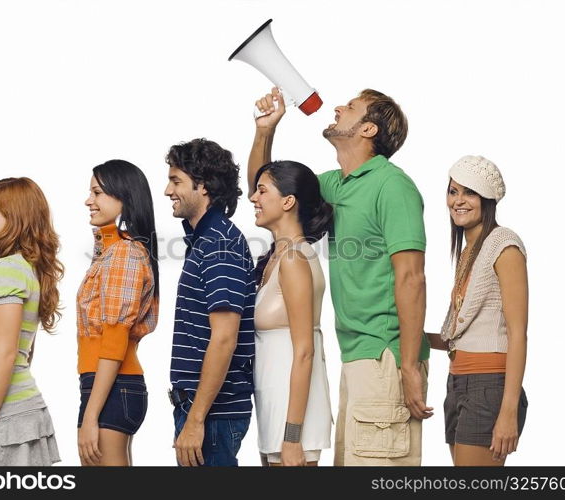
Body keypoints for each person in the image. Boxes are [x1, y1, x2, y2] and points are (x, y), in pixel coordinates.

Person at [249, 87, 431, 466]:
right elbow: (269, 191)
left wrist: (410, 365)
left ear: (368, 130)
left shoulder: (392, 186)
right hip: (355, 358)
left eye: (349, 107)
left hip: (386, 358)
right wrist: (265, 132)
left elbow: (412, 278)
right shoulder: (337, 184)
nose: (336, 108)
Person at [426, 155, 528, 466]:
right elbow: (461, 337)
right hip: (458, 383)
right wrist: (412, 334)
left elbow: (517, 333)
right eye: (453, 191)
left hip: (489, 386)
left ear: (487, 199)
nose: (458, 201)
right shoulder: (470, 250)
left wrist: (508, 411)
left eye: (469, 193)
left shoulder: (504, 245)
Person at [165, 138, 256, 467]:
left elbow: (224, 337)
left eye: (176, 181)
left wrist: (196, 420)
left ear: (202, 186)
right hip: (203, 410)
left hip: (212, 415)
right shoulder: (206, 240)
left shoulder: (219, 243)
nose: (167, 190)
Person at [0, 177, 63, 466]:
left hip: (6, 419)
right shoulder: (25, 269)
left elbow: (7, 354)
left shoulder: (6, 270)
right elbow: (25, 351)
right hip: (16, 414)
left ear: (13, 216)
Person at [249, 160, 334, 466]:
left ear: (288, 201)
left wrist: (292, 436)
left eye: (262, 190)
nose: (253, 198)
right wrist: (263, 131)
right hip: (275, 408)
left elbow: (305, 352)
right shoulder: (277, 256)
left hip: (293, 419)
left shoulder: (295, 258)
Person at [76, 160, 159, 466]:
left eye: (97, 193)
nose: (88, 200)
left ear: (123, 196)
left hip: (112, 385)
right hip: (107, 385)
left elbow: (114, 338)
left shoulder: (124, 253)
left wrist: (91, 415)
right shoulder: (113, 250)